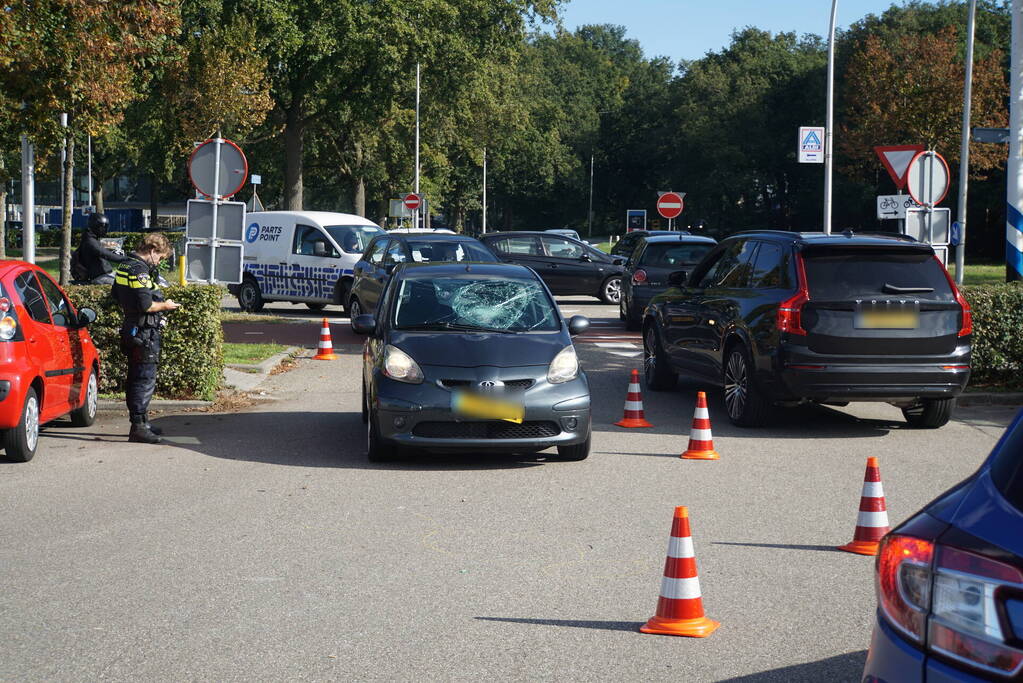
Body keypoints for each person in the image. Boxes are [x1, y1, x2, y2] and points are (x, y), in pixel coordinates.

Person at [111, 233, 180, 444]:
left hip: (131, 328)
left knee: (136, 376)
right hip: (144, 331)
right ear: (152, 251)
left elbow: (115, 294)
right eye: (159, 258)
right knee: (144, 378)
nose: (158, 262)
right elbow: (146, 305)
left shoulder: (125, 265)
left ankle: (142, 422)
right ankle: (138, 427)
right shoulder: (140, 270)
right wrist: (166, 305)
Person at [73, 213, 129, 284]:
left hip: (106, 274)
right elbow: (105, 254)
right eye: (103, 227)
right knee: (125, 285)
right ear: (96, 227)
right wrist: (127, 259)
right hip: (99, 277)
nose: (105, 230)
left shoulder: (92, 239)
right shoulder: (90, 242)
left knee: (128, 277)